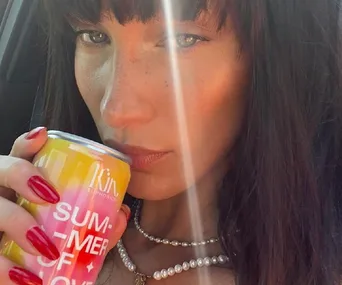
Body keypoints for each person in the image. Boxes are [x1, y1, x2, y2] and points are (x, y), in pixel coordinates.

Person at [1, 0, 342, 284]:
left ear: (268, 57)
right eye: (94, 35)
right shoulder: (38, 246)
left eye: (182, 40)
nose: (116, 108)